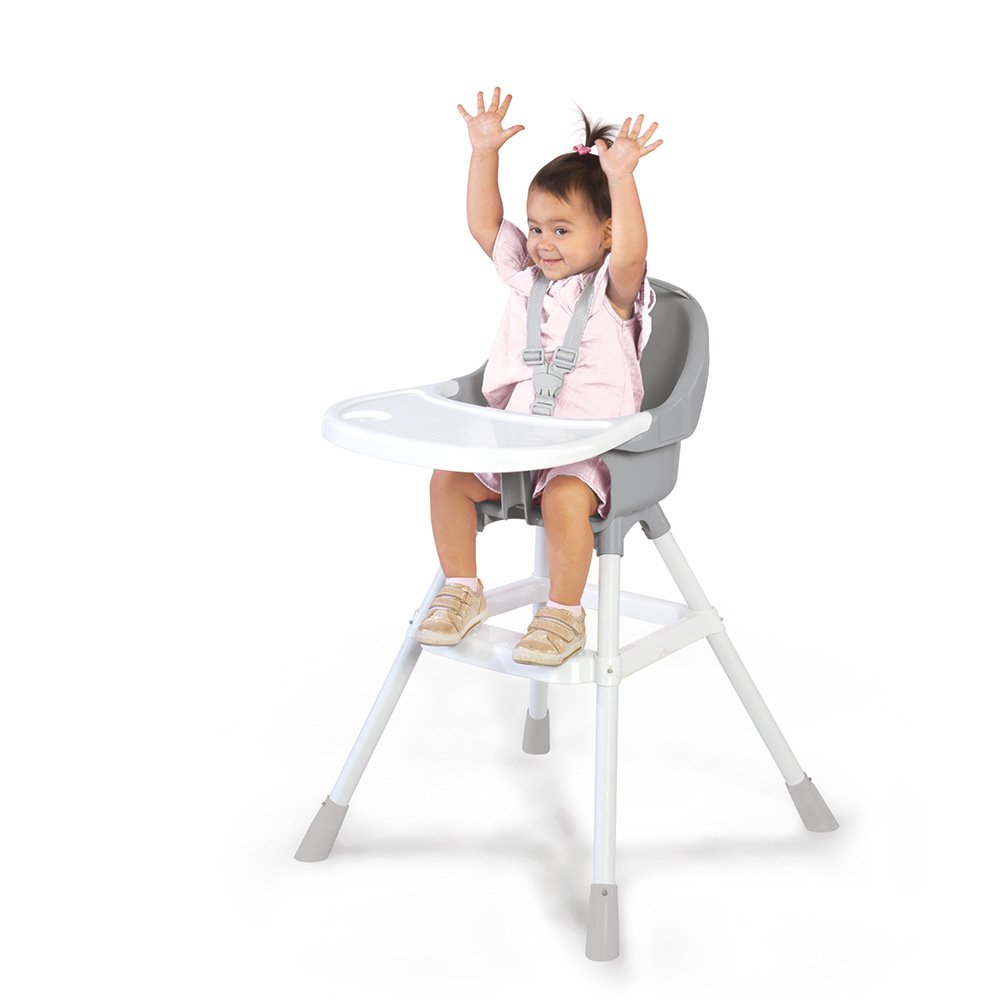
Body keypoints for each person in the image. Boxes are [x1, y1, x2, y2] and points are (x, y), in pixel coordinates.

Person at [416, 88, 662, 666]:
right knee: (448, 478)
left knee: (566, 500)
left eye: (562, 230)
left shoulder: (613, 293)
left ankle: (562, 615)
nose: (543, 243)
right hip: (517, 446)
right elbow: (484, 225)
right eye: (536, 228)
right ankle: (462, 588)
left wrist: (621, 179)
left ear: (605, 234)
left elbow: (631, 254)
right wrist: (484, 153)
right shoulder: (528, 279)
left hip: (587, 453)